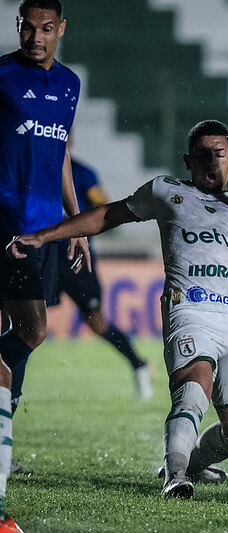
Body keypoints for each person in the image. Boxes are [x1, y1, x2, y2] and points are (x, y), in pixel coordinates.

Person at [8, 119, 228, 499]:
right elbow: (108, 214)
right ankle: (175, 477)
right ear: (187, 161)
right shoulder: (167, 191)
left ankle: (188, 464)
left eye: (220, 154)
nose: (211, 161)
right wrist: (48, 234)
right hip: (190, 309)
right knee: (192, 390)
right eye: (202, 154)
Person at [0, 0, 88, 526]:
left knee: (25, 336)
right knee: (28, 331)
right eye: (29, 28)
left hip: (43, 233)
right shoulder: (2, 77)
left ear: (61, 30)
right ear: (19, 27)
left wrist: (76, 224)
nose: (37, 37)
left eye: (47, 29)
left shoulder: (71, 85)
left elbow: (61, 157)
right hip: (3, 226)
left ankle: (5, 425)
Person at [56, 143, 152, 400]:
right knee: (24, 314)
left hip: (75, 255)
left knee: (96, 321)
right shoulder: (35, 167)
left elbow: (102, 205)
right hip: (42, 252)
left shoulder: (83, 173)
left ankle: (138, 364)